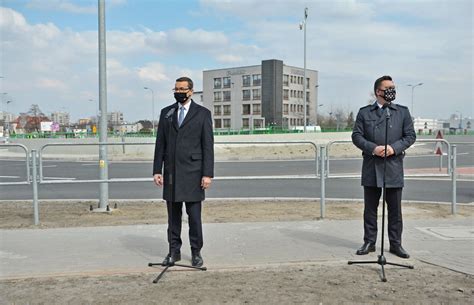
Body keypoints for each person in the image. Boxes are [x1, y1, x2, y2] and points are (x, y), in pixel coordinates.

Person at [352, 75, 416, 258]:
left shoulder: (402, 112)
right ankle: (369, 242)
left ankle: (396, 244)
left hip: (393, 167)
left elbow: (410, 136)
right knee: (370, 209)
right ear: (378, 92)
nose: (392, 91)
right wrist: (373, 148)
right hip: (372, 166)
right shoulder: (365, 113)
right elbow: (357, 136)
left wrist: (393, 148)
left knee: (395, 210)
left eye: (393, 88)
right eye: (388, 88)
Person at [153, 76, 214, 267]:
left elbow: (207, 146)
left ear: (191, 91)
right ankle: (173, 252)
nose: (178, 92)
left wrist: (207, 174)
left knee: (194, 218)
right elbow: (160, 144)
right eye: (176, 89)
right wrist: (157, 170)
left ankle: (196, 253)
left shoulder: (203, 113)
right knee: (173, 218)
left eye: (182, 89)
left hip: (194, 174)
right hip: (171, 174)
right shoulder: (167, 113)